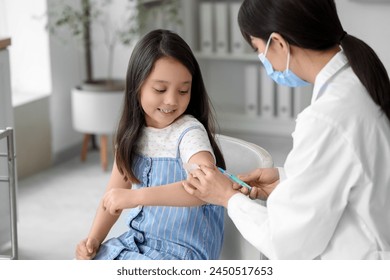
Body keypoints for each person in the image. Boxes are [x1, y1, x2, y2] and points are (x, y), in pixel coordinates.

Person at [183, 0, 390, 260]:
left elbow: (288, 246)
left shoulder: (326, 118)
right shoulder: (355, 79)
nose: (264, 61)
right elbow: (347, 173)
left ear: (278, 44)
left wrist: (228, 198)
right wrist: (287, 179)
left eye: (259, 50)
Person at [75, 29, 226, 260]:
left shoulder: (189, 132)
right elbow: (111, 199)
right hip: (138, 243)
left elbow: (206, 187)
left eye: (183, 90)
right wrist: (93, 240)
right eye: (160, 89)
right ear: (137, 86)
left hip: (181, 253)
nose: (172, 100)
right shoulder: (132, 136)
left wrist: (136, 197)